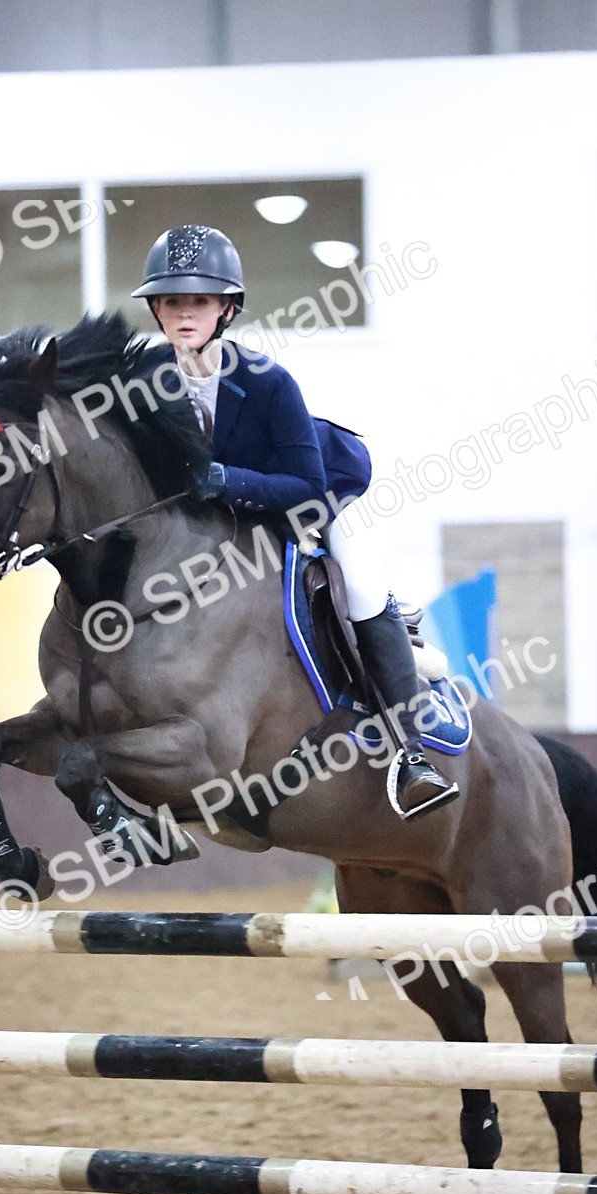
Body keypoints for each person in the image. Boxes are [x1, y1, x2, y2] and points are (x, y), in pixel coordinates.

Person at [131, 224, 458, 821]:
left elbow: (306, 485)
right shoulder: (147, 384)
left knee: (358, 585)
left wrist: (227, 481)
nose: (184, 313)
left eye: (198, 301)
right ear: (155, 307)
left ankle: (412, 754)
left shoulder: (266, 381)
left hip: (331, 495)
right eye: (172, 301)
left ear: (227, 309)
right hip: (232, 514)